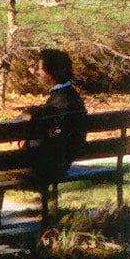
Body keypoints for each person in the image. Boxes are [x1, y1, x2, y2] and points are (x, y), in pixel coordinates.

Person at [23, 48, 88, 185]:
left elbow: (56, 132)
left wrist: (25, 141)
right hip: (65, 157)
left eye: (40, 69)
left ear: (51, 73)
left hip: (48, 162)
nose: (37, 73)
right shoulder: (73, 97)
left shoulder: (59, 102)